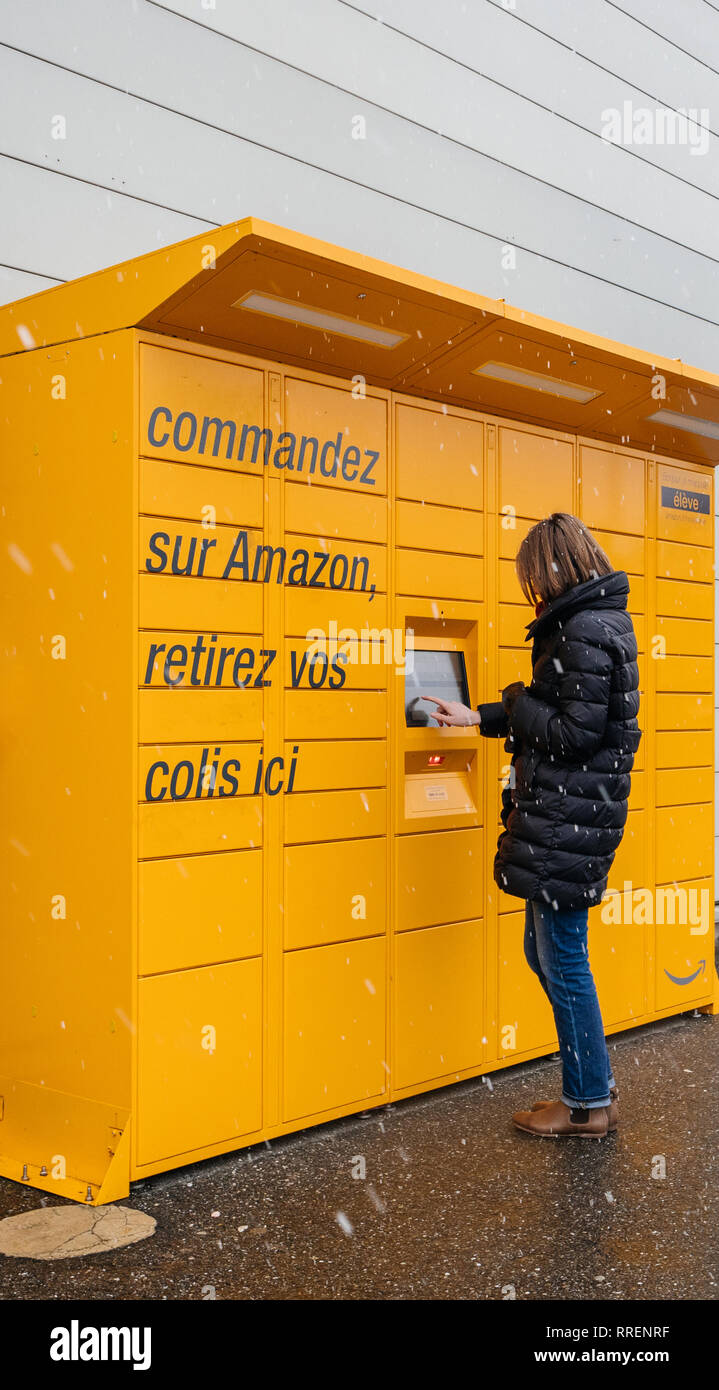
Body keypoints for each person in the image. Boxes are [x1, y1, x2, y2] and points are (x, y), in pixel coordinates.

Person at [421, 512, 641, 1139]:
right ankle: (591, 1082)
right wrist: (479, 716)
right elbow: (570, 717)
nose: (530, 591)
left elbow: (574, 732)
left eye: (531, 577)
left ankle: (586, 1104)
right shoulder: (595, 622)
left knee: (563, 957)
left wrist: (515, 701)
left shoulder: (582, 629)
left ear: (551, 568)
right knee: (545, 953)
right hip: (572, 816)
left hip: (569, 820)